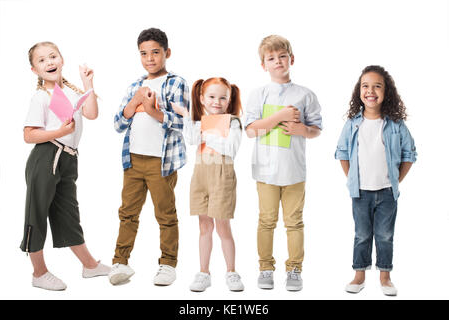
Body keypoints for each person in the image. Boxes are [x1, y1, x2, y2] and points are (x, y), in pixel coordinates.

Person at [21, 41, 110, 291]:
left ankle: (90, 266)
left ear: (61, 60)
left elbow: (92, 114)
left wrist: (88, 84)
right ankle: (39, 273)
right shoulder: (41, 97)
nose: (49, 62)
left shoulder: (72, 92)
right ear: (34, 70)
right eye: (42, 60)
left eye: (53, 56)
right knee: (36, 213)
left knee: (69, 213)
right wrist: (60, 131)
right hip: (45, 159)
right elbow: (28, 135)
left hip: (68, 159)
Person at [109, 28, 189, 286]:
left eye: (155, 52)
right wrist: (135, 103)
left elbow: (182, 121)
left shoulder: (176, 82)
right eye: (144, 53)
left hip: (160, 161)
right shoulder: (135, 85)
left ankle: (167, 263)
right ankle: (120, 261)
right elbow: (119, 123)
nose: (150, 58)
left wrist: (153, 110)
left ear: (167, 53)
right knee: (127, 213)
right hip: (132, 160)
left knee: (165, 214)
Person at [245, 35, 322, 291]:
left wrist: (302, 130)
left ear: (292, 58)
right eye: (271, 58)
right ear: (263, 64)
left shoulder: (305, 94)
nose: (277, 61)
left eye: (282, 56)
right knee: (266, 220)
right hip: (266, 171)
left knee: (294, 222)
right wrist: (279, 116)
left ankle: (294, 270)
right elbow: (251, 130)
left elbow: (316, 129)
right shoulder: (259, 94)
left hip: (294, 171)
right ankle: (265, 268)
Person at [335, 65, 417, 296]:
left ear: (386, 92)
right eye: (365, 86)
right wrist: (352, 179)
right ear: (359, 91)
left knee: (385, 235)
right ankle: (359, 274)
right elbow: (342, 153)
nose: (371, 91)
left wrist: (396, 180)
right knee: (362, 234)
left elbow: (409, 154)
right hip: (360, 192)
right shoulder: (352, 124)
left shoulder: (396, 125)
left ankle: (385, 276)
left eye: (377, 86)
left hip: (387, 192)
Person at [173, 77, 244, 292]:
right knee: (204, 227)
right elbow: (192, 139)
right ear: (202, 99)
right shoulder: (199, 121)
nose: (217, 101)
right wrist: (187, 116)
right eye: (212, 97)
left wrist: (205, 133)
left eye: (223, 97)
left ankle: (231, 272)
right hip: (201, 175)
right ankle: (204, 272)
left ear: (229, 99)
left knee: (223, 227)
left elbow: (229, 148)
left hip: (222, 176)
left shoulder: (233, 121)